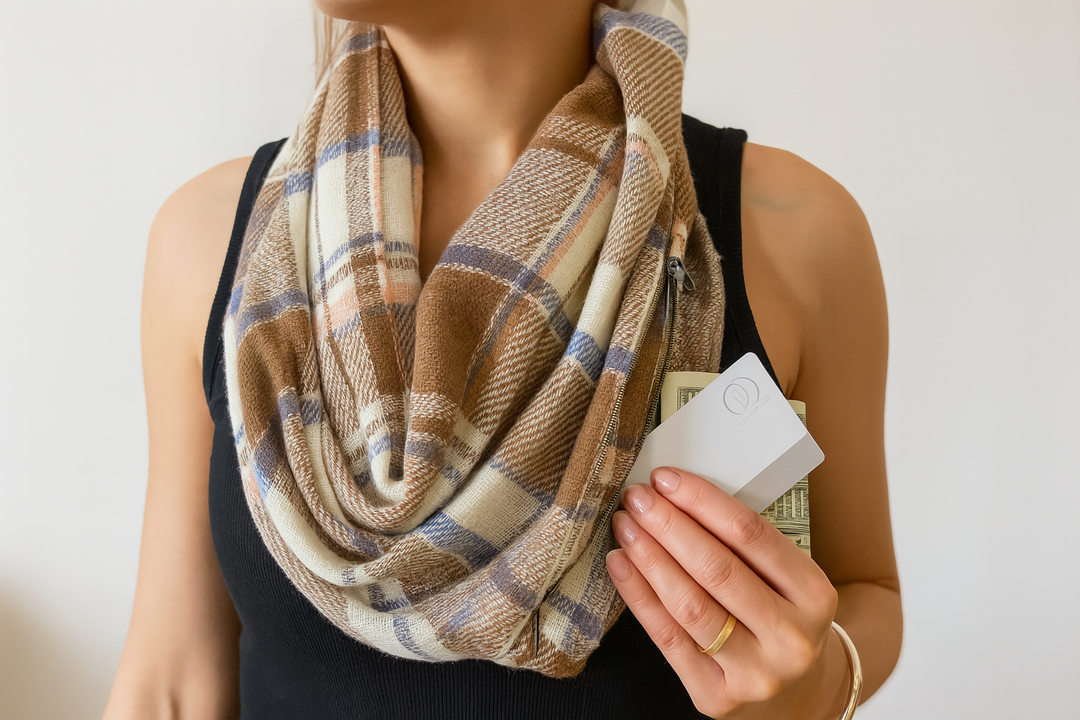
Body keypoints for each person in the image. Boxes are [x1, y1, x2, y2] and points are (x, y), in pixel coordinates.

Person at [104, 0, 902, 718]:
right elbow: (170, 684)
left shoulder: (793, 236)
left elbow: (867, 591)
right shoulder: (213, 245)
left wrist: (825, 683)